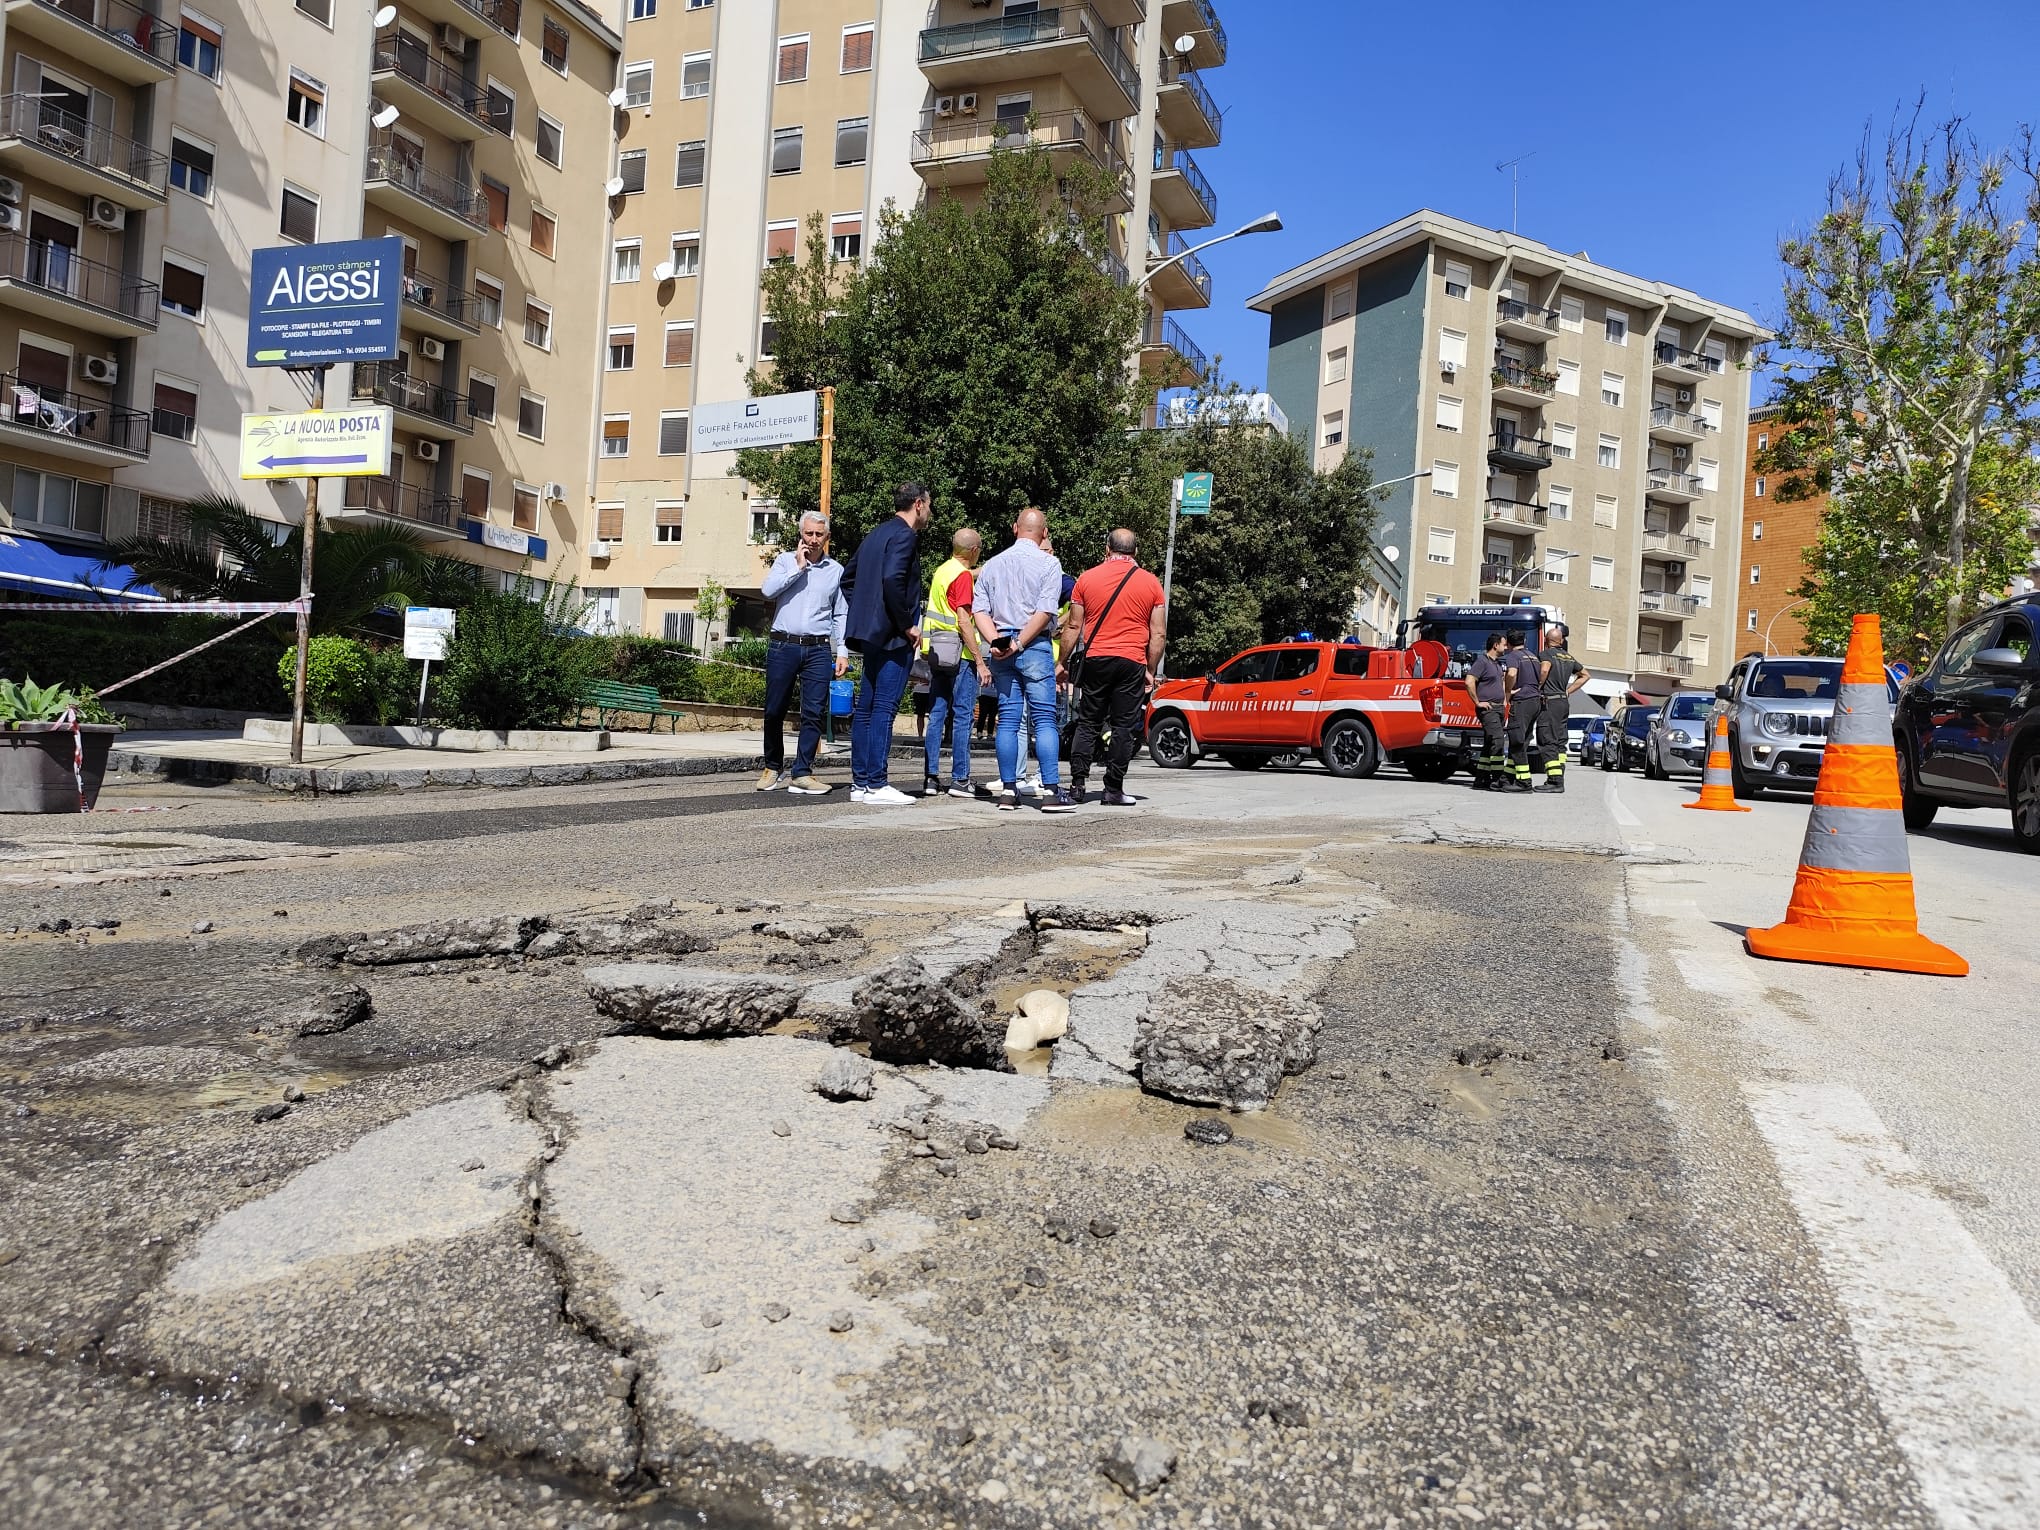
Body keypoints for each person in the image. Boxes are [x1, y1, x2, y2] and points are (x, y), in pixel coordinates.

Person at [971, 507, 1075, 813]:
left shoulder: (992, 564)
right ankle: (1052, 792)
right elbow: (1045, 612)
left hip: (1001, 647)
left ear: (1015, 528)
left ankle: (1008, 791)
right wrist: (1019, 643)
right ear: (1044, 533)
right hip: (1034, 647)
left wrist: (996, 642)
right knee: (1043, 719)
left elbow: (979, 610)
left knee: (1008, 717)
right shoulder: (1050, 564)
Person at [843, 482, 930, 805]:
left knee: (866, 708)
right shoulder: (905, 535)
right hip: (893, 635)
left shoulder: (875, 534)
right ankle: (877, 783)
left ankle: (861, 783)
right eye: (929, 504)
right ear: (918, 504)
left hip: (871, 633)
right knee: (883, 707)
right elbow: (893, 579)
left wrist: (868, 612)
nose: (929, 511)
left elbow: (848, 580)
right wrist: (906, 623)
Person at [1064, 528, 1166, 806]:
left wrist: (1061, 661)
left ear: (1107, 549)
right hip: (1132, 662)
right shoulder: (1151, 584)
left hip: (1097, 659)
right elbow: (1158, 634)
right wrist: (1151, 668)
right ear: (1136, 552)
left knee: (1088, 723)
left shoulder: (1086, 579)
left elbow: (1074, 625)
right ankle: (1113, 789)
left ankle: (1077, 785)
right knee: (1123, 727)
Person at [757, 510, 849, 795]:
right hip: (783, 645)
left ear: (827, 537)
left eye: (818, 534)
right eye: (808, 533)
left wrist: (842, 650)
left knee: (813, 712)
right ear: (801, 534)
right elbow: (768, 590)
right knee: (774, 710)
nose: (812, 539)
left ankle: (802, 772)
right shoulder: (785, 560)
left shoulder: (836, 570)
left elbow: (840, 614)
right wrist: (798, 567)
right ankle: (773, 766)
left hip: (818, 649)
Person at [919, 527, 992, 799]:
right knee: (963, 717)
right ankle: (960, 779)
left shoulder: (943, 570)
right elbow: (963, 620)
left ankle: (931, 776)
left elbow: (961, 577)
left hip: (939, 652)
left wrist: (979, 570)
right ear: (973, 551)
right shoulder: (962, 577)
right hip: (960, 655)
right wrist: (979, 660)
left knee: (937, 714)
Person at [1534, 622, 1592, 793]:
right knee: (1560, 741)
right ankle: (1559, 776)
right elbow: (1586, 675)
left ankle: (1554, 781)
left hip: (1550, 701)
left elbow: (1544, 670)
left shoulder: (1546, 654)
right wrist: (1568, 691)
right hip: (1563, 702)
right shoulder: (1568, 657)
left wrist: (1537, 686)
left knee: (1547, 739)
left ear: (1546, 640)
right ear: (1561, 641)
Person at [1462, 632, 1508, 790]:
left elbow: (1500, 684)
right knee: (1498, 741)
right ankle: (1497, 779)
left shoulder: (1497, 664)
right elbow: (1469, 682)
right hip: (1488, 710)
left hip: (1498, 709)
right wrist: (1478, 702)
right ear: (1496, 645)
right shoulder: (1482, 662)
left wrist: (1505, 699)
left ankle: (1480, 779)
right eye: (1504, 644)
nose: (1506, 647)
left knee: (1489, 744)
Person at [1501, 630, 1542, 793]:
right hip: (1535, 701)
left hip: (1522, 701)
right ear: (1524, 640)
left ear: (1509, 644)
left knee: (1517, 741)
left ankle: (1524, 782)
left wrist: (1508, 692)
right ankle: (1507, 778)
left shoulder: (1513, 656)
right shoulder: (1533, 656)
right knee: (1522, 740)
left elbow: (1511, 673)